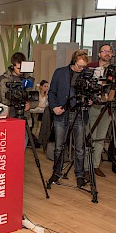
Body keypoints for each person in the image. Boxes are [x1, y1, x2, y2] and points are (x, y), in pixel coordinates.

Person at [47, 50, 91, 188]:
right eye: (79, 66)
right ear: (73, 62)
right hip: (61, 113)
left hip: (79, 114)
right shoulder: (60, 72)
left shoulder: (86, 75)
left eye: (83, 66)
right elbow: (52, 92)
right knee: (59, 147)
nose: (81, 69)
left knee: (80, 148)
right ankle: (57, 172)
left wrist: (90, 101)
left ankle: (80, 175)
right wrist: (54, 107)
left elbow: (90, 94)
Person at [86, 44, 114, 178]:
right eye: (104, 51)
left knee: (100, 138)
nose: (107, 53)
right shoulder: (90, 66)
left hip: (107, 108)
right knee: (90, 136)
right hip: (93, 106)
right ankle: (86, 166)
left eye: (109, 51)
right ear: (99, 53)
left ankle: (95, 165)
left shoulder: (114, 70)